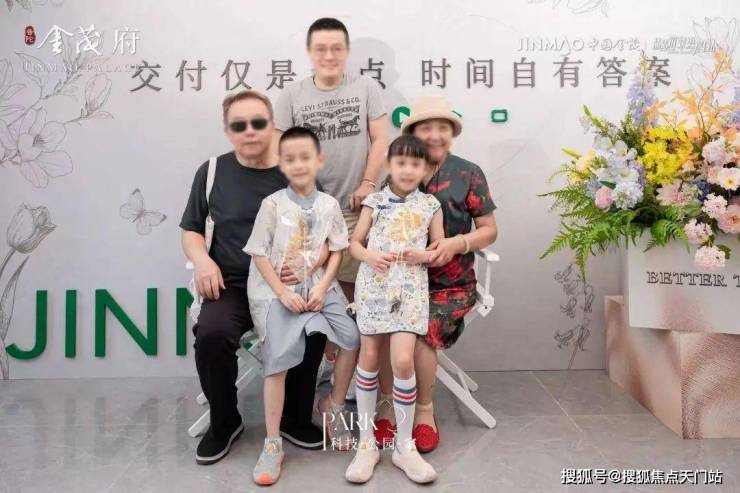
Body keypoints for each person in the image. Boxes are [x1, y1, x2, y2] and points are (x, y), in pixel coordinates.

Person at [179, 90, 328, 466]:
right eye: (239, 124)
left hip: (285, 283)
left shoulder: (296, 170)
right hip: (230, 284)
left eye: (258, 123)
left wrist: (309, 262)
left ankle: (295, 418)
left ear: (272, 125)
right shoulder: (212, 172)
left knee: (312, 327)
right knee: (211, 334)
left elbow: (327, 234)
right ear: (227, 130)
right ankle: (224, 422)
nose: (249, 131)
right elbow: (191, 229)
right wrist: (202, 261)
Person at [374, 96, 499, 453]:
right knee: (382, 325)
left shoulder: (468, 173)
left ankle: (424, 411)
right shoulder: (398, 173)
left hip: (450, 285)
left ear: (451, 133)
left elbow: (489, 229)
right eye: (425, 128)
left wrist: (458, 243)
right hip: (401, 280)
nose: (434, 135)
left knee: (420, 329)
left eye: (442, 127)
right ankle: (387, 403)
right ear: (412, 133)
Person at [273, 19, 389, 392]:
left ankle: (353, 371)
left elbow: (380, 139)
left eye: (337, 48)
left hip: (355, 208)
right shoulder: (291, 95)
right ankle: (325, 362)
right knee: (313, 288)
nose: (329, 55)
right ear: (310, 52)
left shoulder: (366, 87)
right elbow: (280, 151)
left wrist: (368, 183)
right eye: (321, 48)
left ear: (347, 51)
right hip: (308, 214)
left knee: (353, 291)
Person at [244, 126, 360, 485]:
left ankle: (332, 406)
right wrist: (282, 292)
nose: (298, 164)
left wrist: (323, 286)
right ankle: (273, 443)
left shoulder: (328, 205)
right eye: (290, 158)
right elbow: (259, 253)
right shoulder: (272, 205)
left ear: (318, 160)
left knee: (352, 338)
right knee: (277, 360)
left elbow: (337, 249)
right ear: (282, 164)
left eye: (305, 157)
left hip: (319, 288)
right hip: (278, 290)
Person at [345, 135, 443, 484]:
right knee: (369, 357)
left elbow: (437, 250)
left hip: (410, 289)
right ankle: (366, 444)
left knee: (402, 360)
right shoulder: (374, 202)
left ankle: (404, 446)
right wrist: (370, 256)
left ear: (425, 169)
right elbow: (355, 245)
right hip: (373, 286)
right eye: (401, 163)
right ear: (389, 165)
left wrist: (423, 255)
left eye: (416, 164)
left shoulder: (430, 205)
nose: (407, 170)